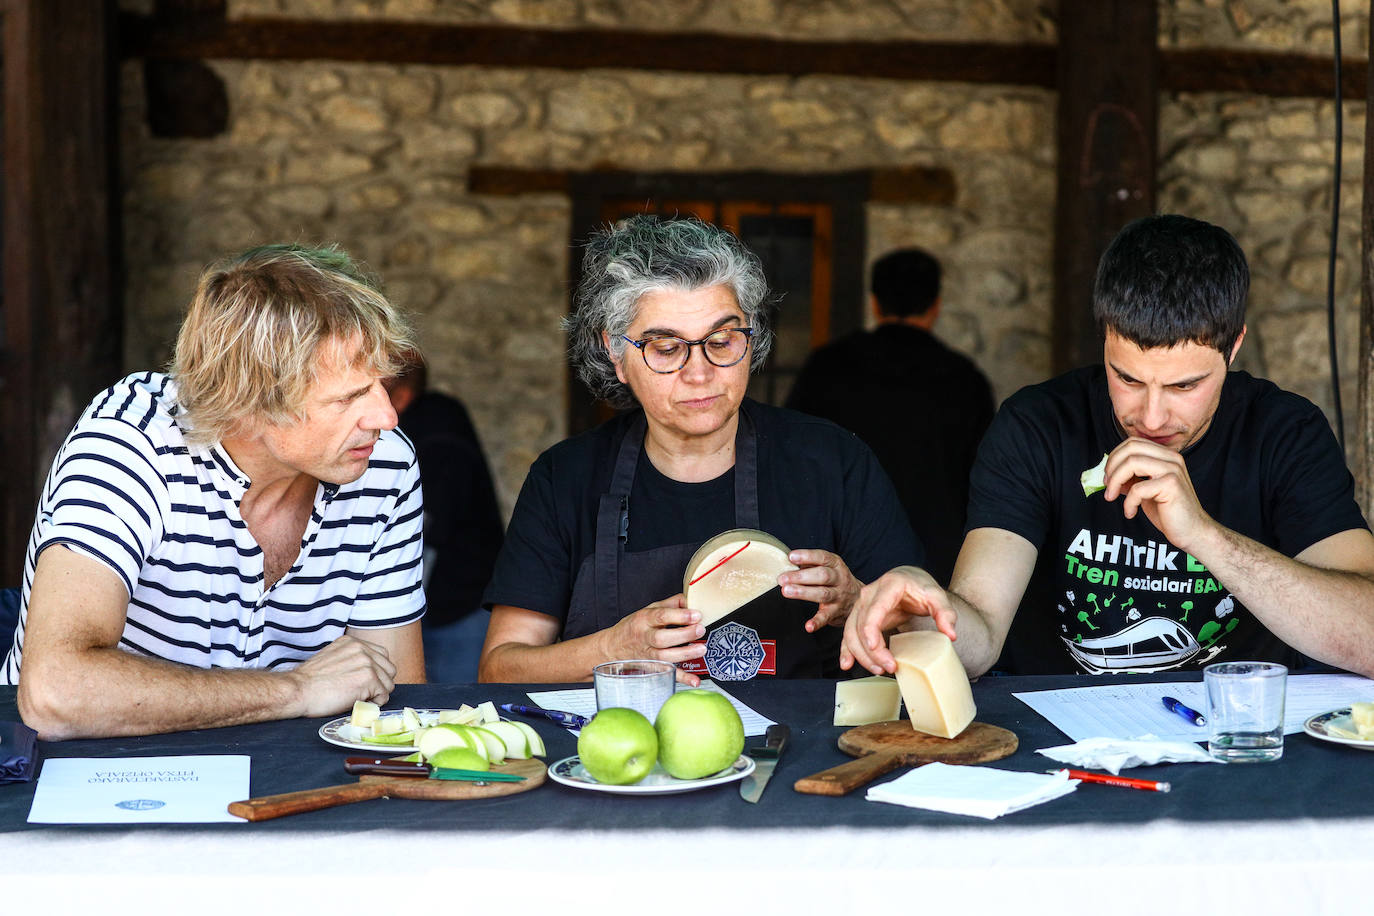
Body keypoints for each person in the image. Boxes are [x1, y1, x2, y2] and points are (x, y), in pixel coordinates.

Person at [842, 214, 1374, 679]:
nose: (1151, 416)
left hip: (1230, 737)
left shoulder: (1285, 433)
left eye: (1185, 386)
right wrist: (926, 614)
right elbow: (980, 631)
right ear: (1104, 339)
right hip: (1061, 742)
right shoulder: (1038, 426)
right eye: (1128, 378)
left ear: (1234, 347)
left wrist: (1206, 538)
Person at [5, 244, 427, 740]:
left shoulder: (384, 462)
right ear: (250, 402)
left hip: (288, 778)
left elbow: (400, 701)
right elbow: (56, 691)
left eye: (380, 383)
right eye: (350, 396)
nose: (386, 416)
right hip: (85, 777)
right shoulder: (131, 441)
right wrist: (296, 690)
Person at [480, 215, 921, 684]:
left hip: (808, 753)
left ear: (751, 336)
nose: (699, 372)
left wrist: (857, 601)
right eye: (667, 348)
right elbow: (500, 668)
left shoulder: (834, 462)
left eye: (721, 340)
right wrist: (612, 647)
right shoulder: (564, 478)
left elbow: (926, 635)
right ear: (616, 352)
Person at [786, 248, 994, 584]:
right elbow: (985, 478)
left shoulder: (828, 366)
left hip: (837, 555)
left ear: (875, 303)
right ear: (935, 305)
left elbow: (790, 454)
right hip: (933, 560)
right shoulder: (964, 379)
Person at [385, 350, 504, 683]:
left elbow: (423, 535)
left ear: (402, 395)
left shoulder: (438, 435)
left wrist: (392, 622)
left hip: (458, 607)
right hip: (443, 600)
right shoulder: (434, 420)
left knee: (456, 711)